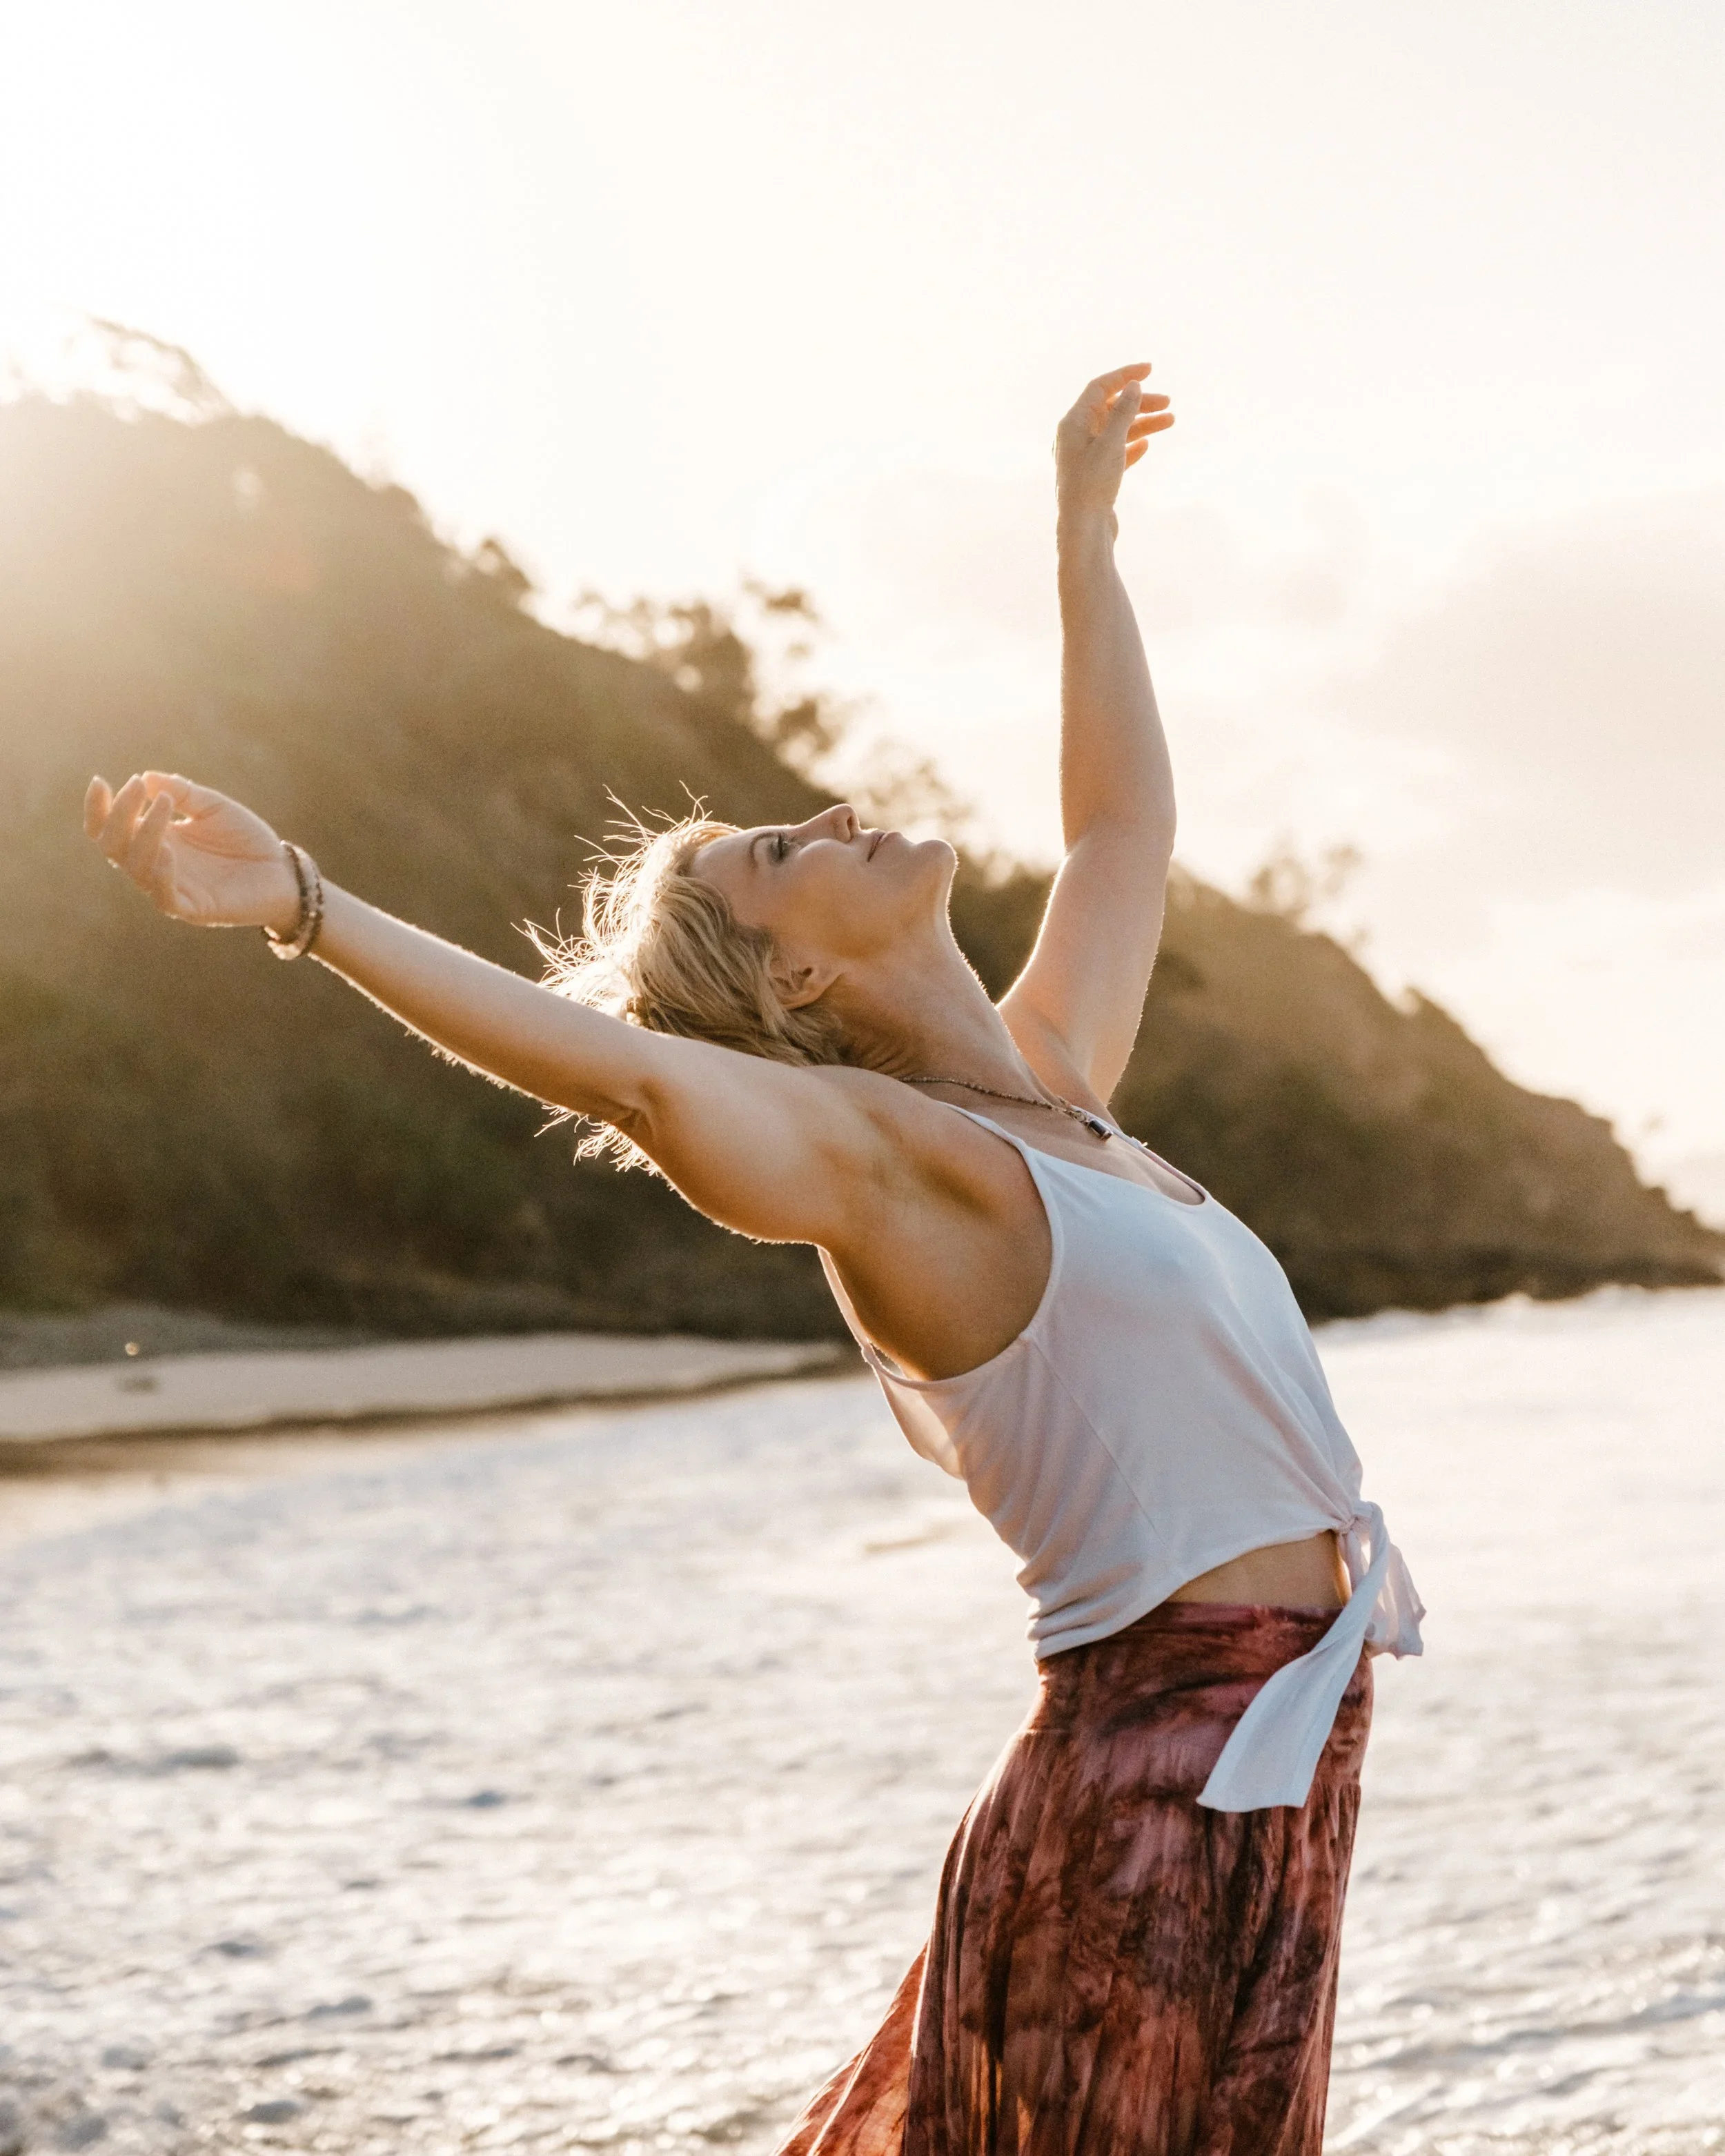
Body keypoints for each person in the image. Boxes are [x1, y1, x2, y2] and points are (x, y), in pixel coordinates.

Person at [86, 363, 1421, 2155]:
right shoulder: (885, 1170)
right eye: (782, 855)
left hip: (1260, 1770)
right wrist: (308, 907)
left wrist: (1077, 543)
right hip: (1148, 1797)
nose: (831, 814)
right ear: (792, 983)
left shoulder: (1055, 1096)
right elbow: (631, 1070)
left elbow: (1121, 830)